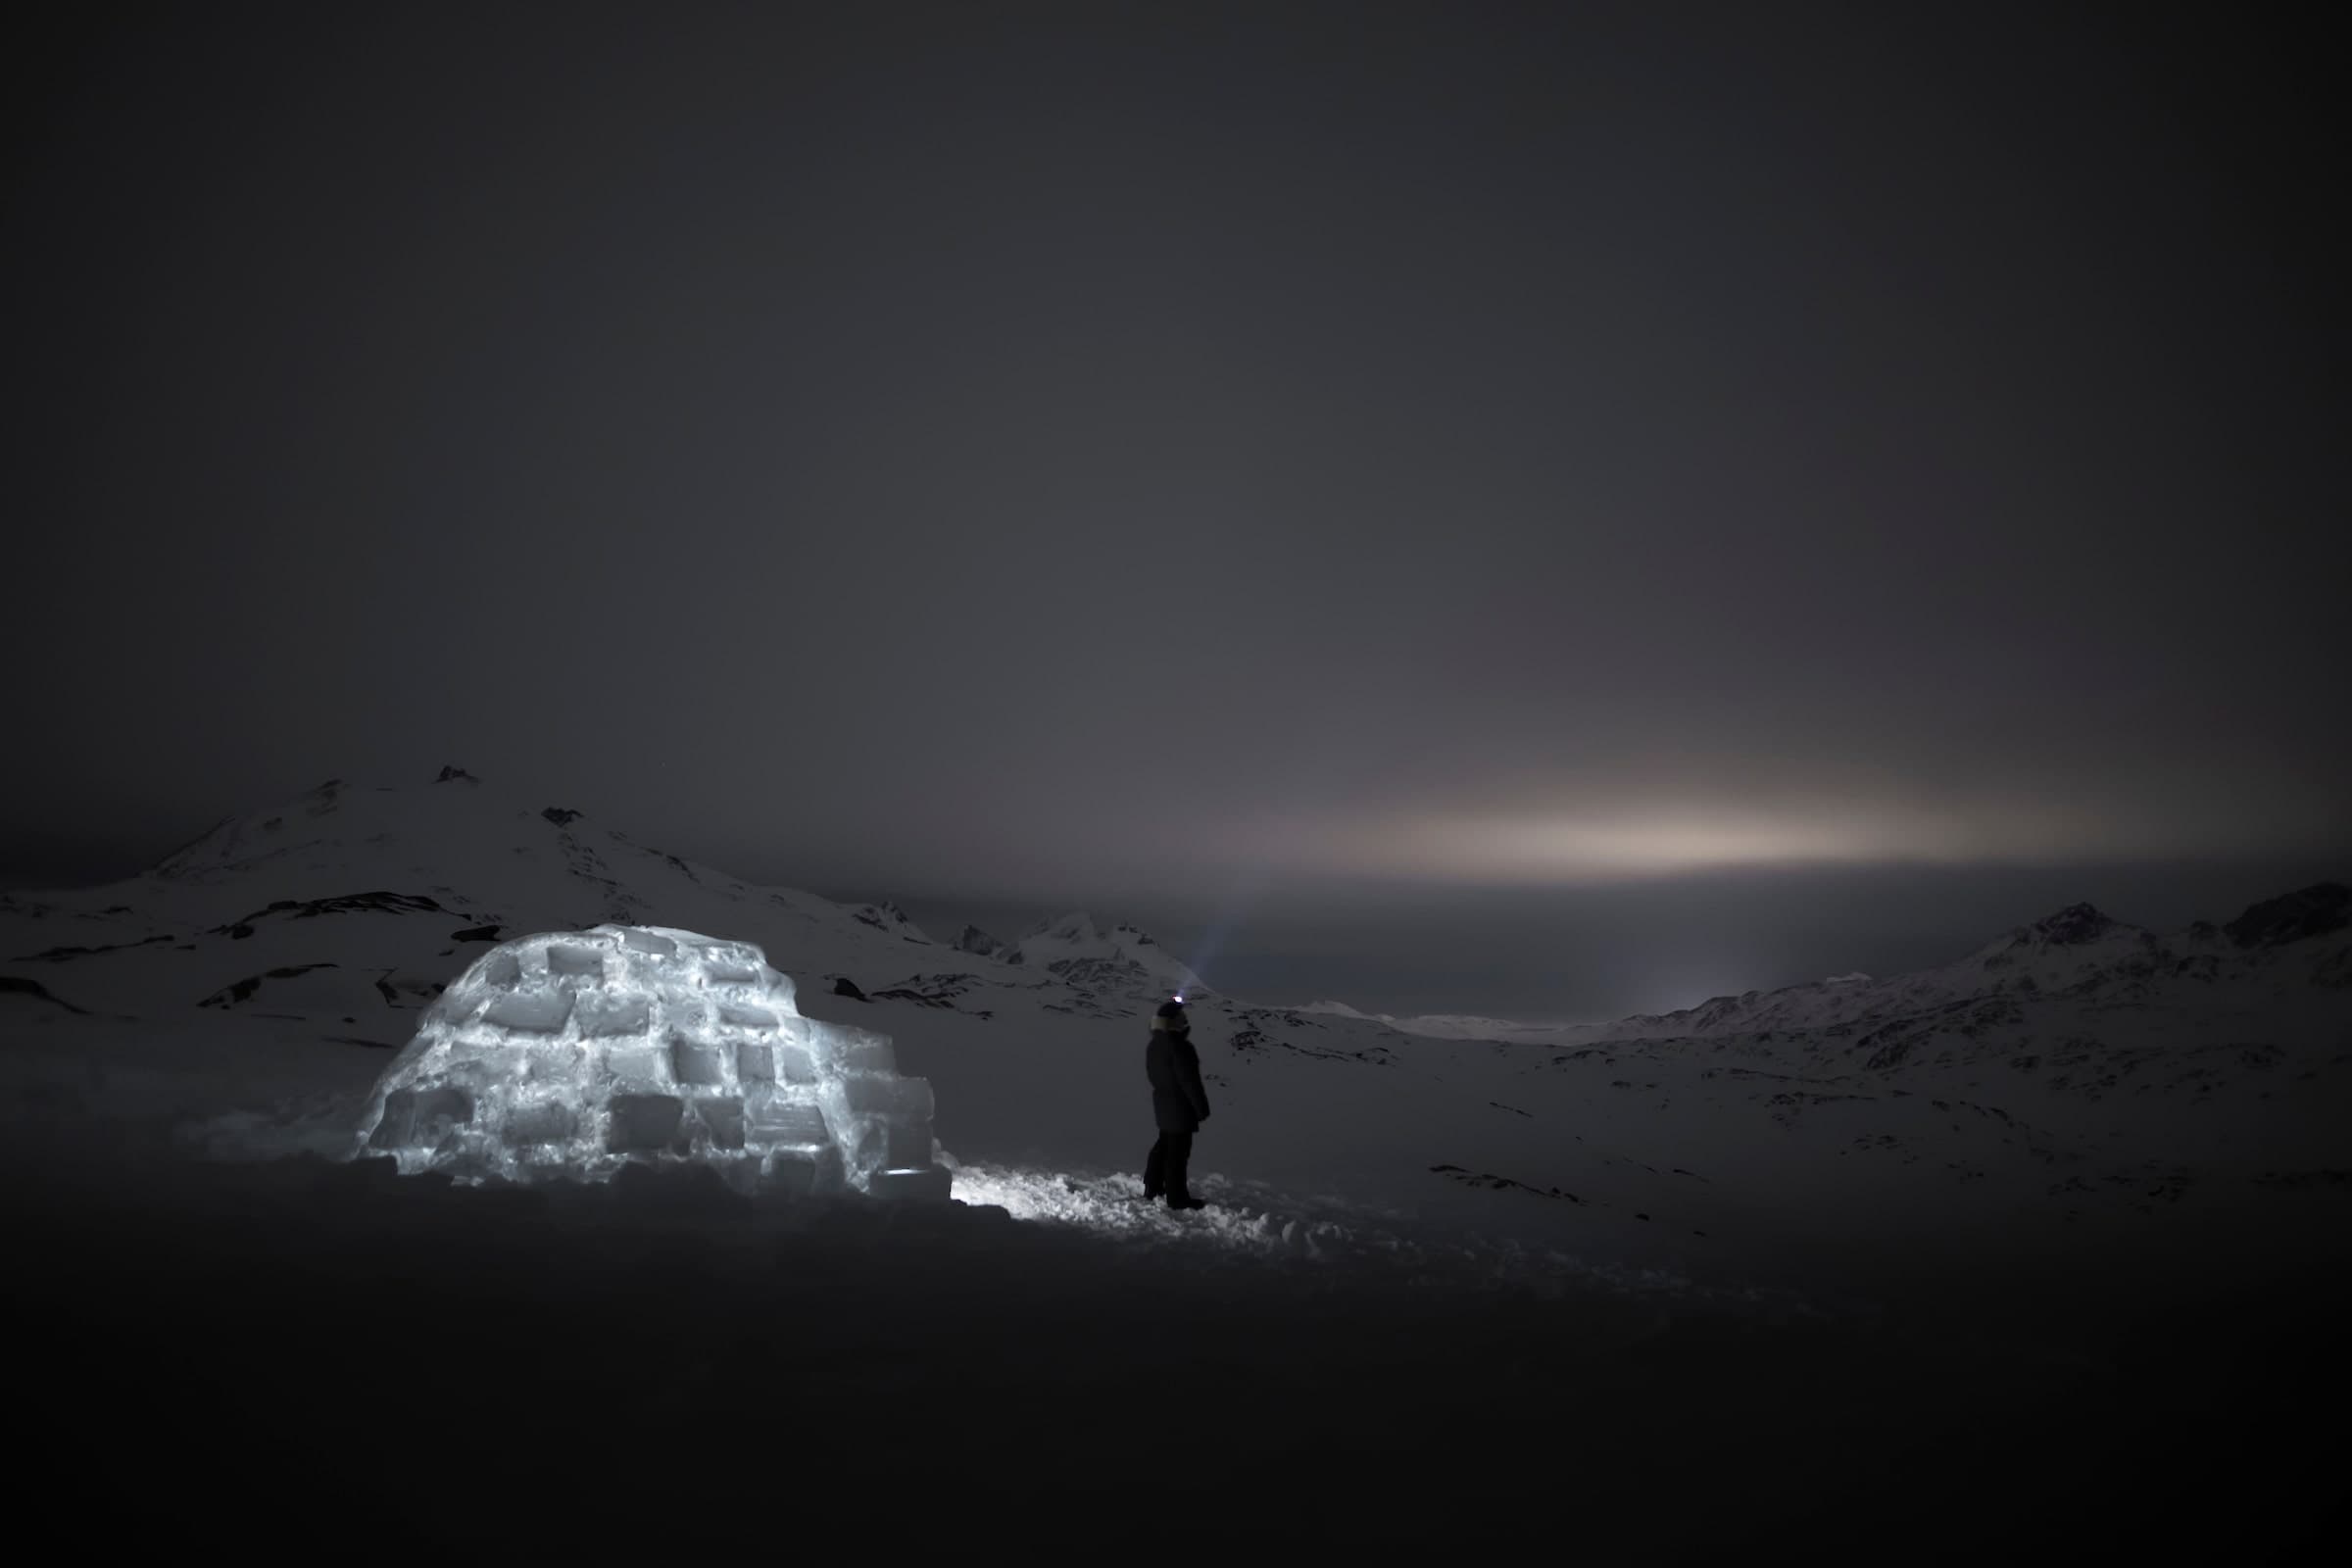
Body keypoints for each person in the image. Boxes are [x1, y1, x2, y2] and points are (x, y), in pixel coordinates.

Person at [1143, 998, 1209, 1209]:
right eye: (1181, 1018)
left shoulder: (1154, 1045)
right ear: (1172, 1022)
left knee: (1163, 1146)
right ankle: (1177, 1198)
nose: (1184, 1021)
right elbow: (1189, 1081)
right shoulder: (1179, 1047)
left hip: (1163, 1105)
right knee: (1178, 1154)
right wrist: (1201, 1108)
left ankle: (1152, 1186)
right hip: (1180, 1107)